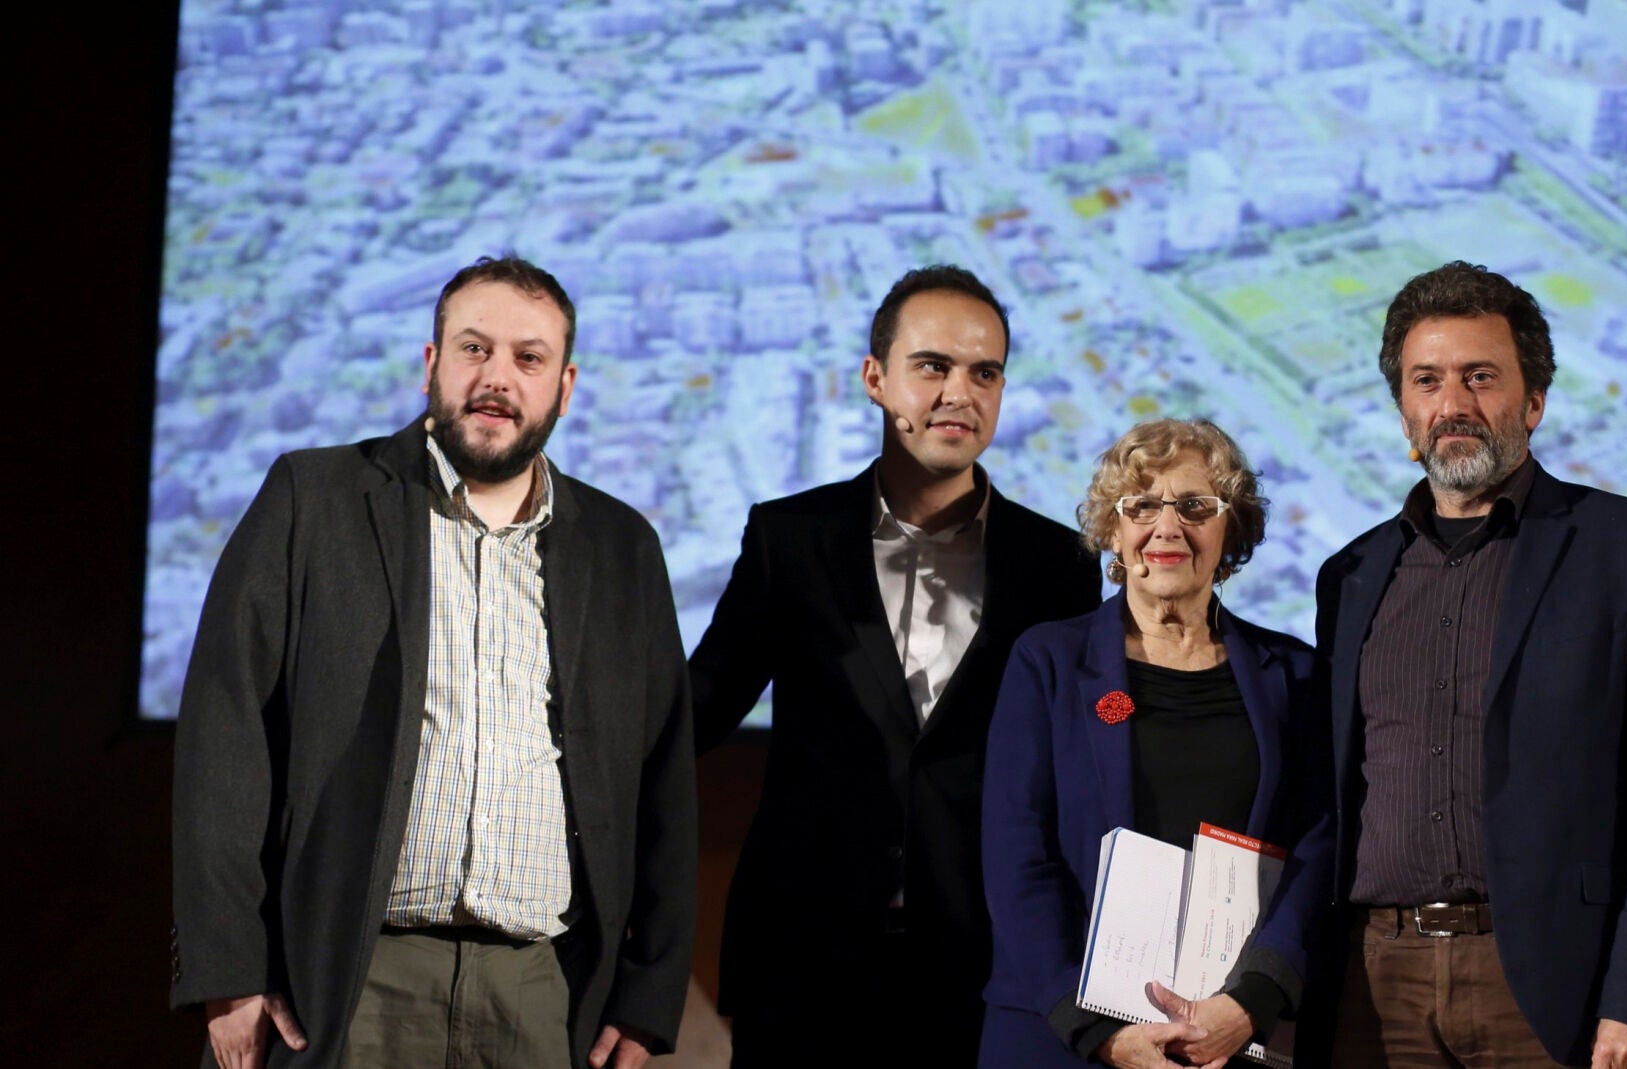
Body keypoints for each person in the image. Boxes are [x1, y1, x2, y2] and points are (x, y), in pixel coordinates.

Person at [170, 256, 697, 1069]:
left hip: (541, 994)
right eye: (473, 349)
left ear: (566, 383)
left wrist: (652, 987)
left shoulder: (624, 547)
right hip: (346, 980)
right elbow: (224, 729)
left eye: (529, 358)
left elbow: (664, 775)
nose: (497, 378)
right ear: (431, 365)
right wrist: (228, 966)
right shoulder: (314, 499)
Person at [689, 264, 1102, 1066]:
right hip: (802, 970)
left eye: (985, 372)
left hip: (982, 975)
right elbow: (695, 713)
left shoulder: (1058, 563)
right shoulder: (789, 538)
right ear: (875, 378)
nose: (960, 391)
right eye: (933, 366)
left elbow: (1074, 768)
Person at [1314, 261, 1627, 1068]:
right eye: (1426, 380)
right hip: (1373, 984)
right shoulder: (1350, 575)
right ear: (1404, 410)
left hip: (1548, 984)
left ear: (1533, 400)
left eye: (1480, 377)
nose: (1453, 404)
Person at [981, 418, 1335, 1069]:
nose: (1168, 527)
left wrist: (1249, 1002)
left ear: (1230, 529)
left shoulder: (1296, 674)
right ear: (1113, 530)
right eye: (1142, 505)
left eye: (1196, 506)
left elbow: (1318, 845)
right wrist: (1099, 1033)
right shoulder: (1046, 662)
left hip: (1228, 1039)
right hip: (1062, 1037)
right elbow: (1016, 858)